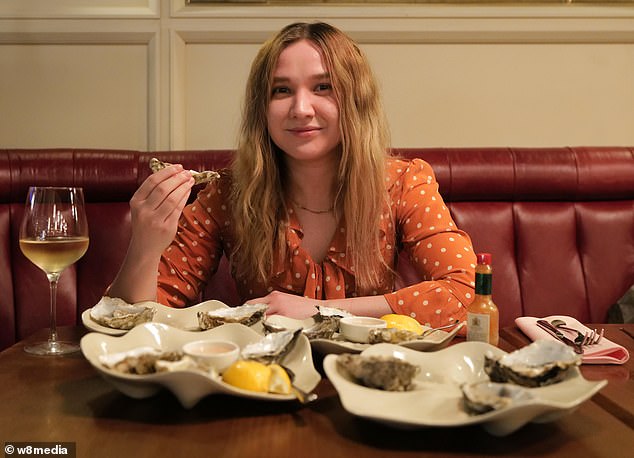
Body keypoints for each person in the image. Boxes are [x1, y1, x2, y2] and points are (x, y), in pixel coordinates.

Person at [108, 21, 476, 328]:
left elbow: (464, 292)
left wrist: (321, 312)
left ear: (356, 100)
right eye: (281, 90)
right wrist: (145, 244)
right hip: (262, 384)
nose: (301, 108)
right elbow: (133, 320)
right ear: (262, 109)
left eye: (323, 88)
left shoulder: (403, 183)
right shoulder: (228, 193)